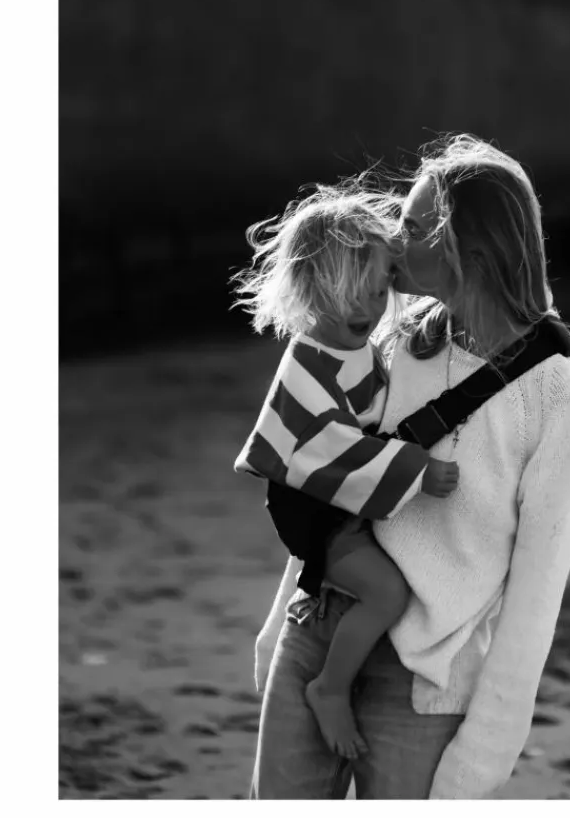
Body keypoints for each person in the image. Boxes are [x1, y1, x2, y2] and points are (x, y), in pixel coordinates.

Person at [249, 134, 570, 799]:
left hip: (423, 683)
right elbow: (331, 480)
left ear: (468, 253)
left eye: (411, 228)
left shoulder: (559, 395)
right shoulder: (391, 340)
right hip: (316, 635)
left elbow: (536, 598)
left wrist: (484, 753)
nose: (391, 238)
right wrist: (278, 631)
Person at [231, 183, 461, 760]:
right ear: (310, 292)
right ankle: (329, 688)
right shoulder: (307, 360)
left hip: (334, 487)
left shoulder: (356, 344)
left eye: (377, 291)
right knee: (387, 592)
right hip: (308, 502)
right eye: (347, 297)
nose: (365, 310)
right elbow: (329, 448)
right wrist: (415, 470)